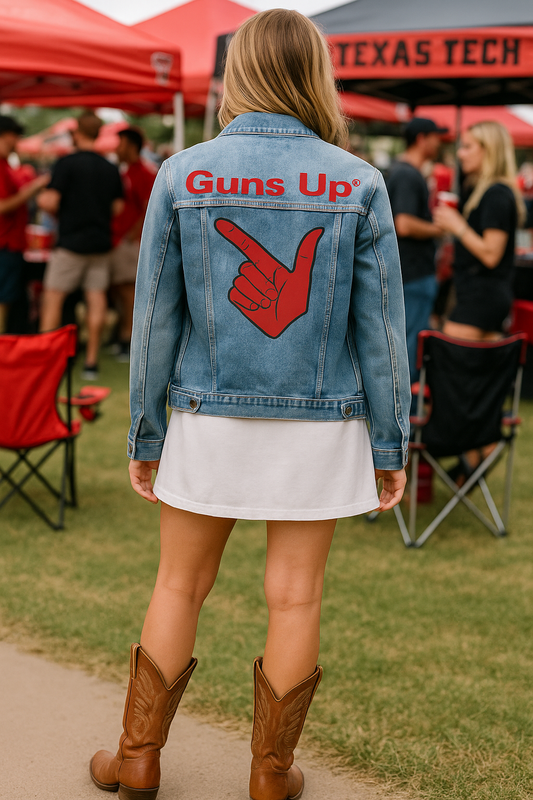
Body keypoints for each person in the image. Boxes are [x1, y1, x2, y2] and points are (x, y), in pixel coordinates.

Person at [89, 10, 410, 800]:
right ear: (313, 75)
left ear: (238, 77)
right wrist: (391, 446)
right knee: (294, 595)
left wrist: (145, 431)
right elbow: (382, 332)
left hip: (206, 414)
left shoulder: (183, 173)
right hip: (322, 421)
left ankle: (136, 758)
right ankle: (270, 777)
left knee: (177, 585)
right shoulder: (358, 181)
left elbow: (156, 315)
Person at [38, 111, 124, 380]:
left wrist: (47, 204)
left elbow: (50, 202)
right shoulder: (110, 168)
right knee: (95, 300)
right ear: (98, 133)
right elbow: (118, 207)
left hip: (71, 244)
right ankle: (90, 363)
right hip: (100, 244)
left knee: (53, 298)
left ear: (76, 133)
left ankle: (46, 360)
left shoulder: (66, 163)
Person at [434, 121, 527, 341]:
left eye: (467, 147)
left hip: (482, 297)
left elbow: (491, 255)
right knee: (481, 371)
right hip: (483, 296)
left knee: (450, 365)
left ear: (488, 151)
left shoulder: (496, 194)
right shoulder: (484, 190)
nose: (460, 153)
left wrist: (458, 226)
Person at [385, 118, 448, 381]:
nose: (439, 141)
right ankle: (406, 413)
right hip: (413, 273)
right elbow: (404, 224)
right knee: (410, 344)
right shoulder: (407, 174)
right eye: (436, 136)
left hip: (407, 273)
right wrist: (440, 229)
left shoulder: (403, 171)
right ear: (422, 138)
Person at [109, 128, 156, 362]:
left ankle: (128, 340)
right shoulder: (129, 171)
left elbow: (149, 208)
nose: (116, 149)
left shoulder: (144, 173)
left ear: (129, 145)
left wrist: (132, 235)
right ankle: (121, 335)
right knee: (122, 290)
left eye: (120, 144)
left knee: (128, 292)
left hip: (130, 243)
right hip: (123, 241)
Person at [0, 116, 49, 333]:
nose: (17, 141)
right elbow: (2, 206)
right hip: (5, 244)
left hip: (10, 244)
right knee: (3, 300)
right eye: (14, 136)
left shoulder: (6, 165)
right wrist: (34, 187)